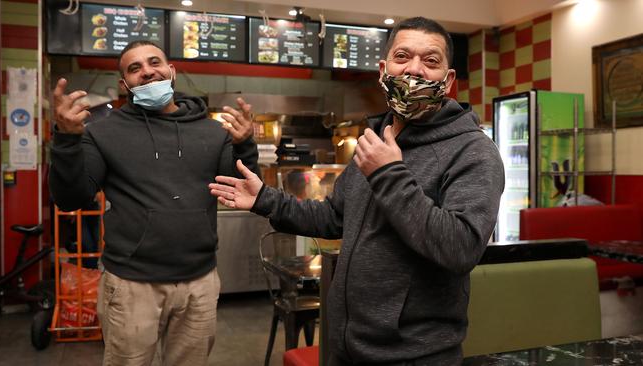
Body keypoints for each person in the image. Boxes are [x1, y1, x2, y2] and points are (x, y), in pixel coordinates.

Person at [209, 17, 505, 365]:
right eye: (402, 56)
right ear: (383, 69)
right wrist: (265, 198)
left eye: (431, 61)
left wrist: (389, 174)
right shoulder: (375, 139)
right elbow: (333, 217)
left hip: (415, 355)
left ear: (449, 79)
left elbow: (461, 248)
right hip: (344, 347)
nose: (414, 70)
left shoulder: (473, 151)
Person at [49, 40, 259, 366]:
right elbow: (70, 198)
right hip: (132, 285)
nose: (147, 71)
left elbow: (242, 190)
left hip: (199, 283)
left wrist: (245, 145)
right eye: (135, 68)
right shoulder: (102, 133)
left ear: (171, 71)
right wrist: (66, 139)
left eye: (154, 62)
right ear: (125, 84)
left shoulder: (212, 133)